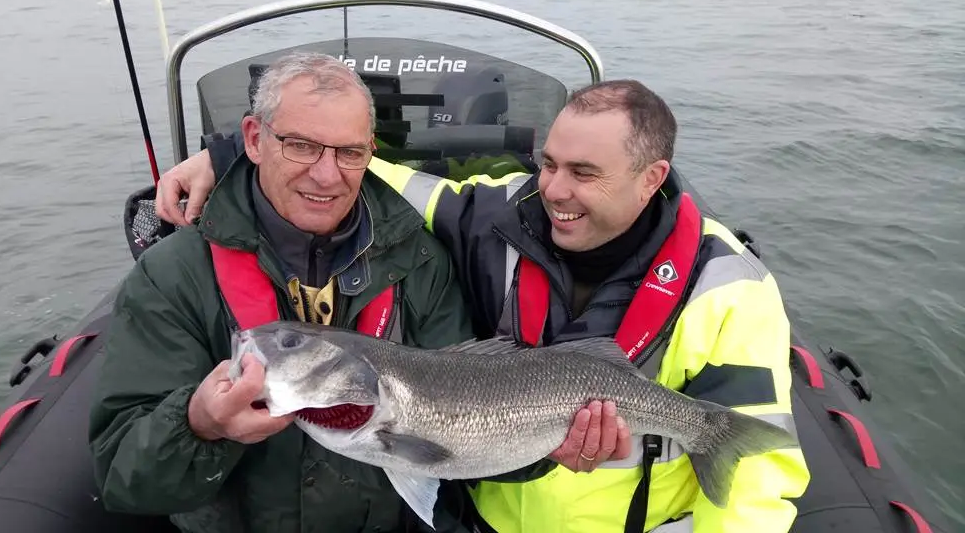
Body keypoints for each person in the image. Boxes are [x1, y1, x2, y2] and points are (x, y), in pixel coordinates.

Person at [155, 77, 811, 532]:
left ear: (652, 179)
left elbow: (762, 482)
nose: (553, 189)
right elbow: (368, 173)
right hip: (488, 519)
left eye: (583, 174)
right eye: (548, 162)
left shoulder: (729, 288)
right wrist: (229, 157)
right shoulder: (491, 214)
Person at [89, 52, 630, 533]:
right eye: (300, 146)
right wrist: (199, 424)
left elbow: (464, 417)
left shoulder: (421, 261)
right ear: (253, 139)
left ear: (371, 152)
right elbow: (123, 479)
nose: (326, 176)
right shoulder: (172, 278)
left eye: (349, 153)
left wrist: (551, 447)